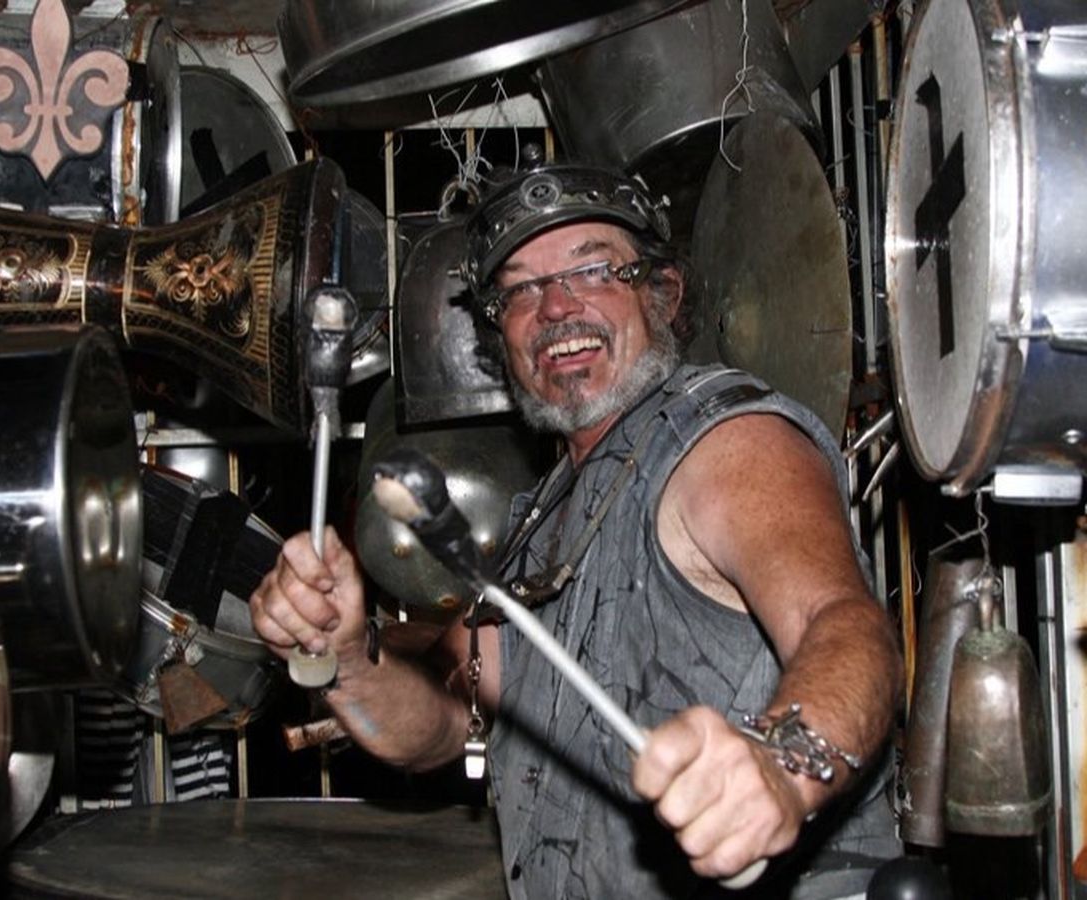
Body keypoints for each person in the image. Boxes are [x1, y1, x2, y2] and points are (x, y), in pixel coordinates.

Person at [251, 162, 903, 899]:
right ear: (498, 335)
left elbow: (845, 625)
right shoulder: (545, 514)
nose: (556, 307)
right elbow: (443, 720)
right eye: (521, 289)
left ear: (661, 294)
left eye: (592, 270)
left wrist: (783, 768)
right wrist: (345, 655)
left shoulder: (725, 443)